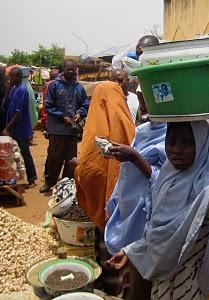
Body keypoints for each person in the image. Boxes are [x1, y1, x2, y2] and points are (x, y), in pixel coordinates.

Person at [106, 107, 209, 300]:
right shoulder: (168, 175)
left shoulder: (207, 184)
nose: (176, 150)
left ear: (202, 146)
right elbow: (156, 231)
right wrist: (130, 252)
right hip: (158, 273)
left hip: (185, 280)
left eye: (187, 143)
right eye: (171, 142)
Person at [73, 80, 135, 295]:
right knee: (123, 242)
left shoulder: (93, 124)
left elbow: (88, 167)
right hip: (125, 198)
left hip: (102, 198)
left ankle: (106, 285)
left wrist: (79, 171)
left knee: (104, 239)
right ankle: (122, 287)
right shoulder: (125, 120)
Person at [104, 89, 167, 298]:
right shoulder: (144, 129)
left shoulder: (172, 133)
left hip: (148, 210)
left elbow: (166, 180)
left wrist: (134, 157)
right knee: (129, 261)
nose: (142, 107)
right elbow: (127, 173)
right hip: (129, 203)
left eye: (145, 100)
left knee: (143, 263)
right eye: (140, 101)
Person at [39, 60, 89, 193]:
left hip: (72, 131)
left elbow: (85, 104)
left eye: (73, 69)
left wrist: (79, 113)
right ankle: (49, 182)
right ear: (63, 70)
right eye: (68, 69)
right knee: (54, 157)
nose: (71, 71)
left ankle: (68, 185)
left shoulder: (79, 87)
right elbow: (48, 105)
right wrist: (61, 117)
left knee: (70, 158)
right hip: (57, 129)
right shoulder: (55, 85)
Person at [2, 67, 37, 187]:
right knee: (12, 153)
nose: (10, 79)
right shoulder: (13, 89)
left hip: (21, 128)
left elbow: (18, 112)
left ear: (18, 77)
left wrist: (7, 128)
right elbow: (5, 107)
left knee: (25, 152)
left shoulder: (22, 90)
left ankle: (32, 178)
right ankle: (14, 177)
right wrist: (7, 91)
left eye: (12, 76)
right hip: (13, 128)